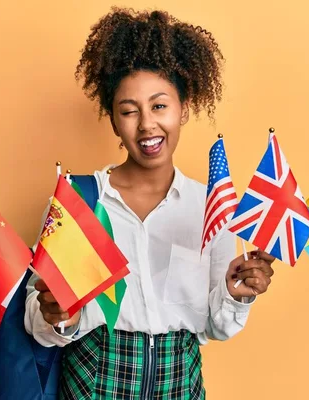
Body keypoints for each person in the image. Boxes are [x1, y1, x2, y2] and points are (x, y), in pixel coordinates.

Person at [25, 7, 275, 399]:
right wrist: (57, 317)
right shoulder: (77, 203)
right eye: (129, 111)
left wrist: (234, 294)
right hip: (94, 382)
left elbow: (216, 325)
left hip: (181, 383)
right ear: (112, 120)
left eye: (159, 106)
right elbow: (38, 325)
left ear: (184, 109)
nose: (146, 124)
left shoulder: (212, 208)